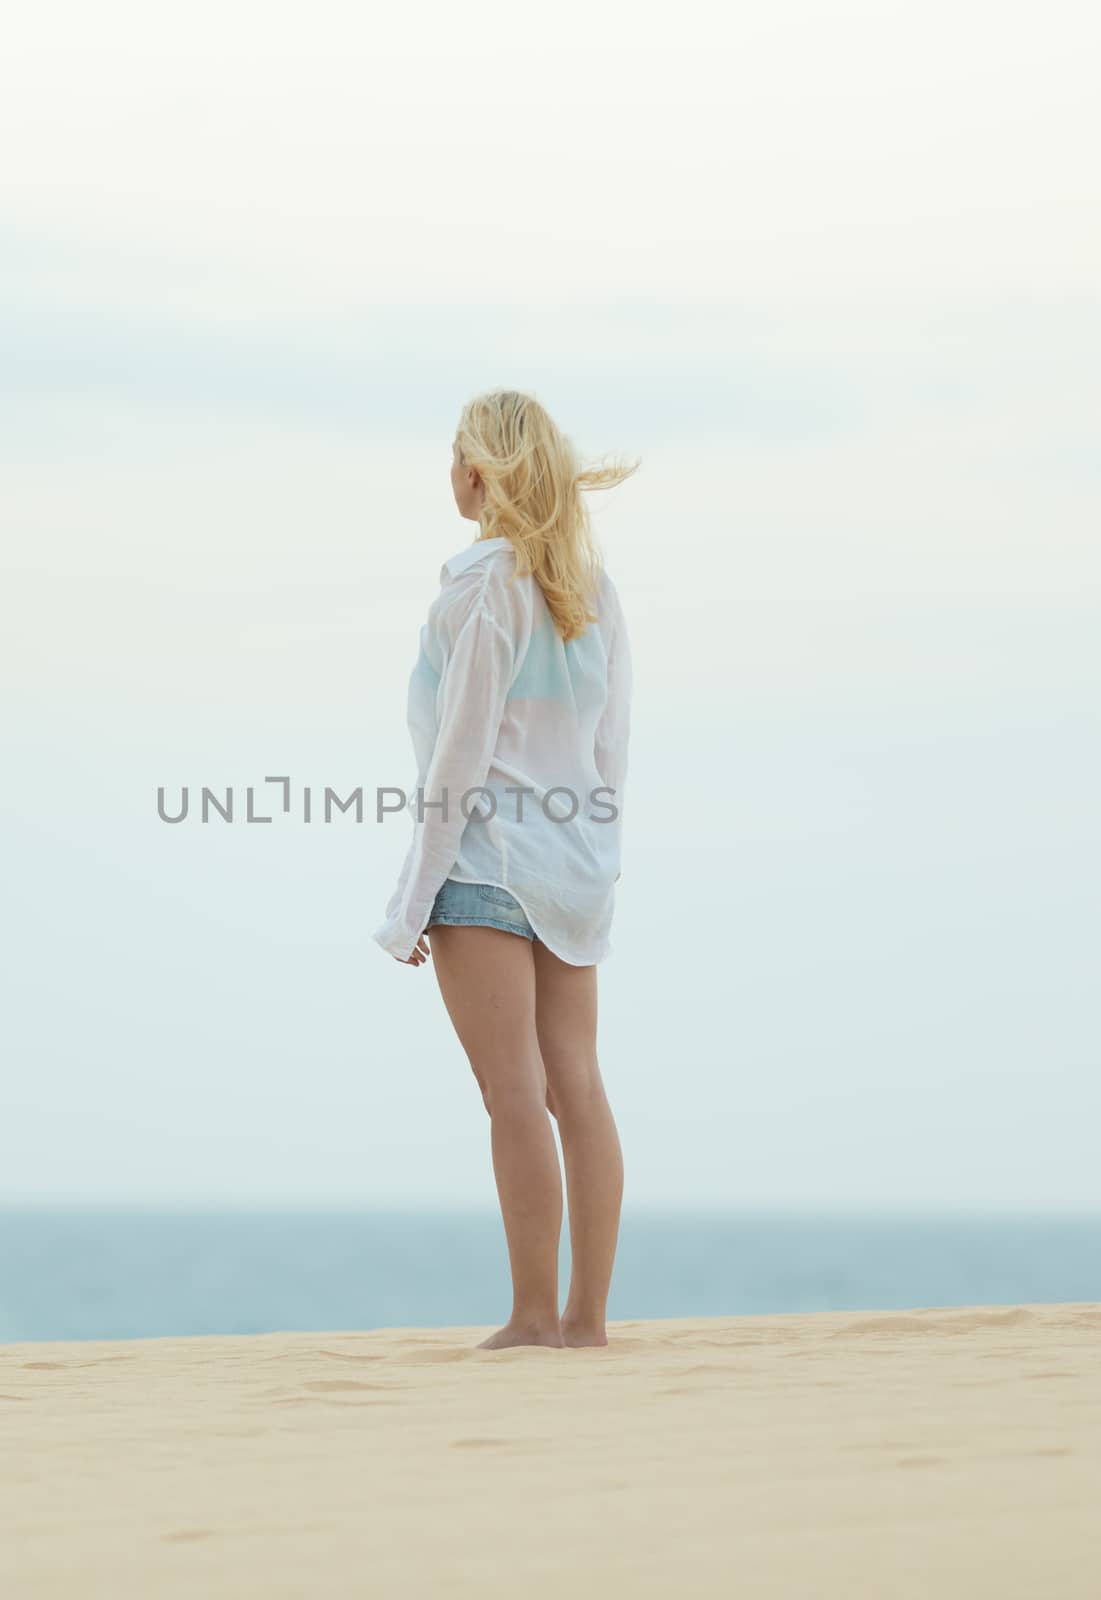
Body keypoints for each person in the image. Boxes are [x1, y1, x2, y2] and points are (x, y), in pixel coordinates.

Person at [374, 388, 638, 1350]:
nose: (448, 474)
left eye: (453, 457)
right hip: (573, 865)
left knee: (516, 1093)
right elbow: (611, 747)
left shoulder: (481, 586)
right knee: (579, 1082)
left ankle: (533, 1317)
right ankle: (586, 1321)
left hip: (488, 865)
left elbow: (459, 755)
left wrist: (410, 906)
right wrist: (598, 861)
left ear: (478, 474)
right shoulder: (589, 589)